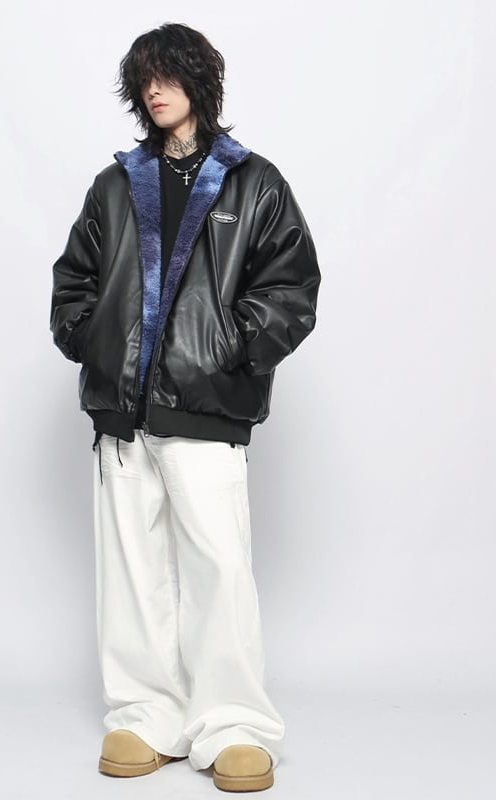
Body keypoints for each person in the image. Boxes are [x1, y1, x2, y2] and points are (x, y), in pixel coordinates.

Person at [50, 22, 320, 793]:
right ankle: (146, 717)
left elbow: (291, 287)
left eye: (167, 75)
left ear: (200, 82)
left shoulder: (253, 182)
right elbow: (73, 284)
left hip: (206, 408)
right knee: (133, 574)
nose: (154, 90)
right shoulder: (116, 185)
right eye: (144, 78)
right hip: (122, 414)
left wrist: (224, 349)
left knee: (218, 570)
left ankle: (234, 725)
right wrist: (98, 342)